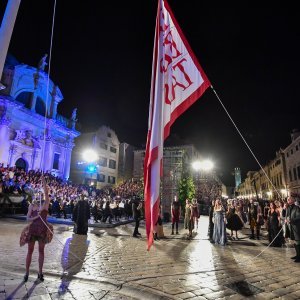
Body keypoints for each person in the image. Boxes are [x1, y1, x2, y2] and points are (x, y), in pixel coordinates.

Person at [19, 176, 53, 282]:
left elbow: (47, 195)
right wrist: (36, 217)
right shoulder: (32, 206)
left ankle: (40, 272)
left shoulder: (45, 204)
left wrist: (43, 181)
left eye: (40, 193)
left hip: (42, 230)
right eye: (37, 194)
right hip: (33, 230)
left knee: (41, 251)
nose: (39, 195)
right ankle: (27, 272)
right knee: (30, 251)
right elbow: (27, 218)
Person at [286, 196, 300, 262]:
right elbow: (286, 216)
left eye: (289, 199)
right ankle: (297, 255)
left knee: (298, 242)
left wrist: (291, 220)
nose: (288, 200)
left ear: (293, 200)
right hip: (291, 228)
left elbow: (298, 216)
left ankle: (299, 257)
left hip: (296, 227)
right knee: (294, 241)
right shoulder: (288, 208)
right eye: (287, 199)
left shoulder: (296, 208)